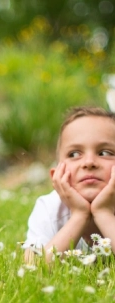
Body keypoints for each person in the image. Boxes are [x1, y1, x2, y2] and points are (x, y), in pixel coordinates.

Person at [24, 106, 115, 263]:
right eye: (74, 154)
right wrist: (79, 215)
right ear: (56, 175)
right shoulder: (49, 207)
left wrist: (103, 213)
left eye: (104, 153)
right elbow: (33, 268)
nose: (89, 162)